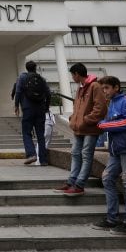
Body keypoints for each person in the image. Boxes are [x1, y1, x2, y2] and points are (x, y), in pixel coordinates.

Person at [92, 76, 126, 235]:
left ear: (116, 87)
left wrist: (105, 125)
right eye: (103, 89)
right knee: (107, 178)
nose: (104, 91)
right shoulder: (112, 103)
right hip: (116, 149)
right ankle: (112, 218)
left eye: (106, 88)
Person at [54, 63, 107, 196]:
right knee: (75, 153)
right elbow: (77, 107)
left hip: (90, 128)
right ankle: (71, 182)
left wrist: (86, 120)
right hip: (79, 128)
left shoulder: (95, 86)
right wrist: (74, 119)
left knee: (86, 155)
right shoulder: (80, 88)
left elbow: (100, 108)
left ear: (77, 74)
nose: (72, 77)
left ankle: (79, 184)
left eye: (72, 75)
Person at [14, 60, 50, 166]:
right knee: (40, 135)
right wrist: (46, 107)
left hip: (27, 108)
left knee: (26, 132)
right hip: (40, 109)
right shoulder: (41, 79)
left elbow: (18, 91)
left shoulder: (22, 77)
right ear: (35, 68)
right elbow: (48, 93)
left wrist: (16, 105)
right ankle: (43, 160)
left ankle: (31, 154)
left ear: (26, 68)